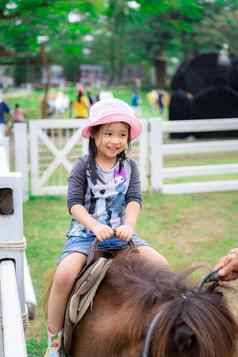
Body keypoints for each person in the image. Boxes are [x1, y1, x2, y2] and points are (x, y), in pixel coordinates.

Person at [44, 98, 169, 357]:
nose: (115, 140)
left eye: (122, 134)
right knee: (65, 275)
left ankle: (164, 324)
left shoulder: (129, 167)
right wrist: (94, 225)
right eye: (109, 133)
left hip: (121, 233)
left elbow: (134, 200)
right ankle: (54, 339)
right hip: (86, 234)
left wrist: (129, 225)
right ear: (95, 135)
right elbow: (74, 204)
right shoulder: (82, 167)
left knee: (162, 265)